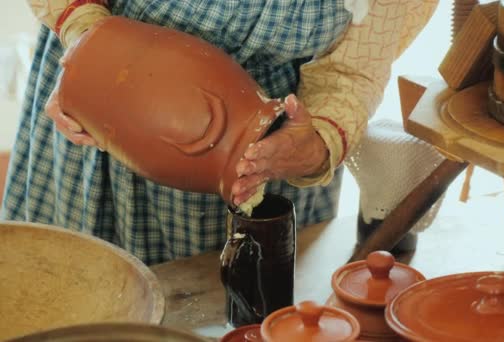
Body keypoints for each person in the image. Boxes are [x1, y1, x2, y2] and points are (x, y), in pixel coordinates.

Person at [2, 0, 437, 265]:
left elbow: (351, 69)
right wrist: (88, 41)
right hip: (113, 95)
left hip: (279, 135)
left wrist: (316, 141)